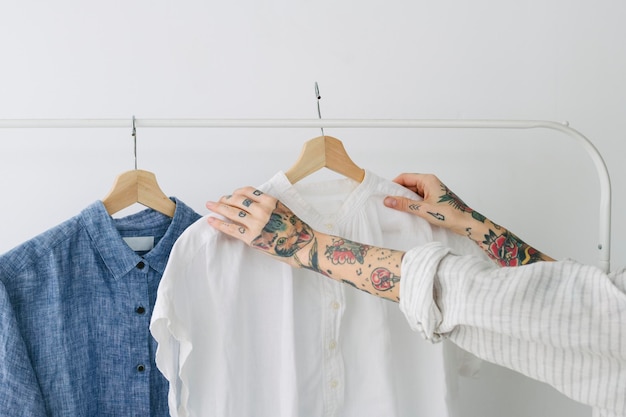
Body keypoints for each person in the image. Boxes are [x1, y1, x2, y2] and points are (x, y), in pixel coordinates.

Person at [206, 173, 625, 417]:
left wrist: (309, 247)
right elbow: (571, 305)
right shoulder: (203, 249)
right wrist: (472, 225)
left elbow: (571, 313)